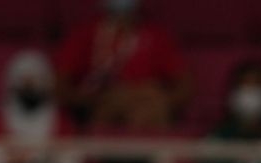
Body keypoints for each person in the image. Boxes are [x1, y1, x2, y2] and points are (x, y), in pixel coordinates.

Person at [53, 0, 191, 130]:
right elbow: (60, 86)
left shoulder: (158, 36)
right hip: (101, 102)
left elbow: (185, 86)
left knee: (146, 107)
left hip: (148, 101)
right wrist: (88, 99)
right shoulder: (84, 35)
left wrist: (160, 101)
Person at [0, 49, 81, 163]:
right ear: (13, 83)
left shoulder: (62, 121)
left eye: (35, 82)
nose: (30, 88)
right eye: (25, 83)